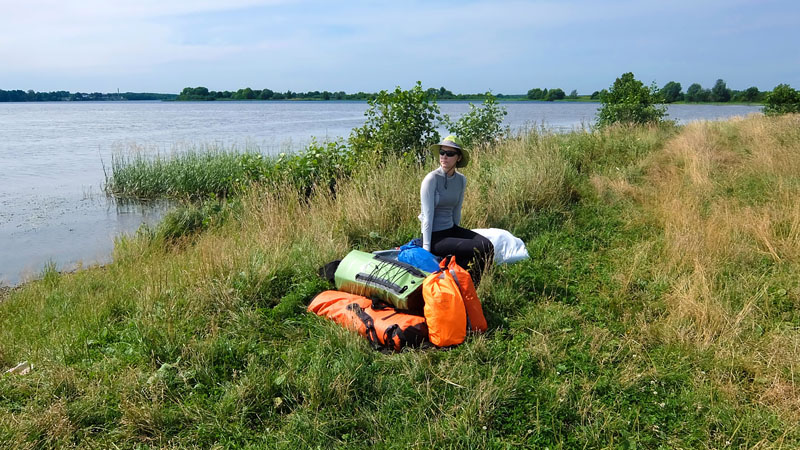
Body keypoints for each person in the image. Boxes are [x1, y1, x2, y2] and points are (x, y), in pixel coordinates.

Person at [419, 135, 493, 282]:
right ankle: (467, 285)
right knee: (477, 249)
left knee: (487, 246)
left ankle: (476, 284)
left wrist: (458, 236)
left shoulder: (461, 180)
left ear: (458, 158)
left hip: (451, 229)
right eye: (442, 152)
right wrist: (426, 250)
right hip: (435, 236)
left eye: (450, 154)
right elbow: (427, 217)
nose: (444, 157)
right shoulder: (431, 179)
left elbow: (456, 210)